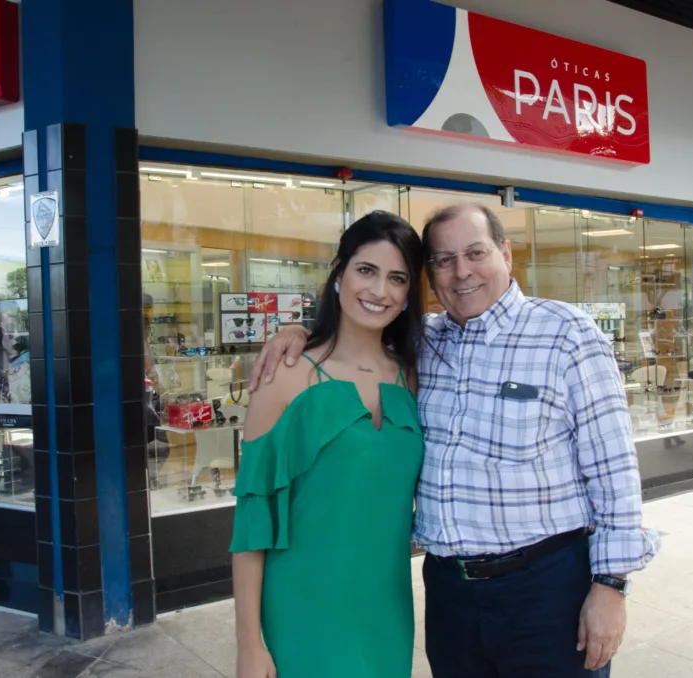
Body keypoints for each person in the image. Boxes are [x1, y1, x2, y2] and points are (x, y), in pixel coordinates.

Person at [253, 203, 659, 677]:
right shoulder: (420, 347)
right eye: (443, 260)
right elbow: (351, 343)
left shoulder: (565, 334)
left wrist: (610, 587)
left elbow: (613, 471)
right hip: (449, 595)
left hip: (547, 593)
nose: (461, 271)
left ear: (505, 253)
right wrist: (299, 333)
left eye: (475, 253)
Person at [231, 211, 426, 678]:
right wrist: (248, 645)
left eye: (396, 278)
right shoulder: (286, 375)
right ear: (339, 272)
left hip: (387, 607)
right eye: (366, 270)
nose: (379, 291)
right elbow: (251, 519)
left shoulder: (413, 376)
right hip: (305, 607)